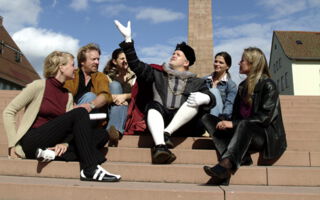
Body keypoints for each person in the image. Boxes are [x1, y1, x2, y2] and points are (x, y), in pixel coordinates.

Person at [3, 51, 121, 182]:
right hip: (33, 139)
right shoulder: (38, 86)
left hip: (51, 142)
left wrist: (64, 143)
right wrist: (12, 145)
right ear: (61, 67)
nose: (75, 68)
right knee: (81, 112)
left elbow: (68, 127)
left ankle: (52, 154)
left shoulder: (68, 95)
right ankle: (89, 169)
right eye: (72, 65)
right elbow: (9, 111)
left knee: (102, 135)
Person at [114, 20, 216, 164]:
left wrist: (205, 98)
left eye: (178, 54)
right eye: (173, 53)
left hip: (186, 127)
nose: (173, 55)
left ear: (186, 63)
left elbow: (212, 99)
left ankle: (166, 133)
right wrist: (128, 40)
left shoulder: (197, 82)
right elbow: (136, 65)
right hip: (159, 121)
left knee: (195, 100)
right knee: (153, 105)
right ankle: (160, 146)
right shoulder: (157, 73)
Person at [201, 47, 287, 185]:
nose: (238, 63)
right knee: (208, 119)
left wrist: (234, 124)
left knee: (245, 124)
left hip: (263, 134)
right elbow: (236, 116)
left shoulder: (268, 85)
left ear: (252, 63)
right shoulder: (242, 86)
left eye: (242, 60)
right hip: (242, 130)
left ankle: (226, 165)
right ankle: (244, 157)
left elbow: (264, 117)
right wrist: (226, 122)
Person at [64, 43, 118, 144]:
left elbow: (105, 95)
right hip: (72, 113)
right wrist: (71, 105)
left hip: (92, 115)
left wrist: (90, 105)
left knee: (90, 96)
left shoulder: (100, 76)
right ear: (82, 61)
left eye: (98, 59)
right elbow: (65, 92)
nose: (97, 62)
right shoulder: (73, 74)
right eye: (93, 59)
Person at [103, 48, 136, 143]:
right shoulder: (107, 77)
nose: (125, 61)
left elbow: (138, 93)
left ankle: (111, 131)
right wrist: (116, 98)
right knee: (114, 85)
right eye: (122, 59)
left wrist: (125, 96)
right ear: (114, 61)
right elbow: (103, 94)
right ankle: (115, 131)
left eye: (127, 58)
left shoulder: (134, 75)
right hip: (112, 106)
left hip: (131, 107)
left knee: (123, 103)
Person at [204, 52, 237, 120]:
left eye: (221, 62)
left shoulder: (231, 85)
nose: (217, 64)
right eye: (216, 61)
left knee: (214, 91)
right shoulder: (204, 80)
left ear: (227, 66)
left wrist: (223, 119)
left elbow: (229, 105)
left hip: (219, 117)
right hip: (203, 113)